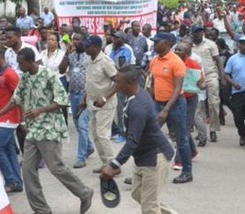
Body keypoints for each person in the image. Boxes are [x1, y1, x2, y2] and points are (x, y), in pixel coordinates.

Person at [0, 48, 93, 214]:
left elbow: (62, 100)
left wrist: (40, 110)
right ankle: (41, 209)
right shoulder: (25, 78)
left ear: (30, 62)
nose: (19, 65)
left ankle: (85, 193)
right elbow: (16, 99)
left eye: (21, 62)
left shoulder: (48, 75)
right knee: (27, 170)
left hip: (49, 127)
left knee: (56, 167)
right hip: (34, 129)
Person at [100, 65, 177, 214]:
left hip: (154, 158)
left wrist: (114, 165)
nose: (115, 85)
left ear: (129, 83)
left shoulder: (138, 107)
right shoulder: (137, 93)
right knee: (139, 194)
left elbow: (132, 141)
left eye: (117, 82)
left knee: (149, 207)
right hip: (142, 157)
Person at [150, 32, 192, 184]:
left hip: (175, 104)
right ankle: (145, 170)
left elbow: (177, 88)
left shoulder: (176, 62)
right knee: (149, 135)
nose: (154, 44)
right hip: (158, 103)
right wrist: (151, 102)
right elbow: (153, 83)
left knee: (181, 139)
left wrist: (166, 109)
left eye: (156, 42)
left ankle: (187, 172)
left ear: (167, 44)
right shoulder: (154, 61)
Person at [0, 47, 24, 193]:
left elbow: (20, 97)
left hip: (8, 119)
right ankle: (17, 182)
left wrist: (22, 120)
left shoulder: (10, 74)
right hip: (1, 118)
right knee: (9, 151)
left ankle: (11, 180)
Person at [59, 32, 95, 169]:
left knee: (82, 124)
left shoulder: (90, 55)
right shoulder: (72, 55)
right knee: (76, 121)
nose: (75, 42)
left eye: (78, 39)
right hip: (73, 93)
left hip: (86, 94)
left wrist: (86, 96)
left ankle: (81, 157)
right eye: (73, 39)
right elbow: (61, 70)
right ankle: (89, 147)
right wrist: (66, 55)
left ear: (84, 41)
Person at [83, 35, 118, 173]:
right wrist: (83, 99)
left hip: (106, 103)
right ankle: (105, 163)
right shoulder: (90, 60)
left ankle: (113, 166)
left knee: (103, 134)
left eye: (88, 46)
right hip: (93, 102)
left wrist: (104, 98)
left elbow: (117, 81)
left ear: (96, 47)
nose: (85, 48)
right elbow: (90, 81)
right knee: (96, 135)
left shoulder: (105, 61)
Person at [191, 24, 224, 143]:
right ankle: (202, 130)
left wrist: (222, 76)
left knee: (214, 103)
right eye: (197, 32)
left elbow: (218, 61)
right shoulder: (189, 45)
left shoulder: (211, 44)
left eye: (201, 32)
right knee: (198, 106)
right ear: (192, 34)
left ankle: (213, 130)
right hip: (195, 77)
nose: (199, 34)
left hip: (211, 75)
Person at [173, 41, 204, 170]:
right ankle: (193, 152)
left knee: (183, 129)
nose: (176, 52)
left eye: (180, 50)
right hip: (176, 99)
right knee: (181, 128)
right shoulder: (172, 62)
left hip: (190, 99)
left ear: (187, 53)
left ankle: (179, 160)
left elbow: (200, 81)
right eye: (176, 49)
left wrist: (202, 85)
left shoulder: (193, 64)